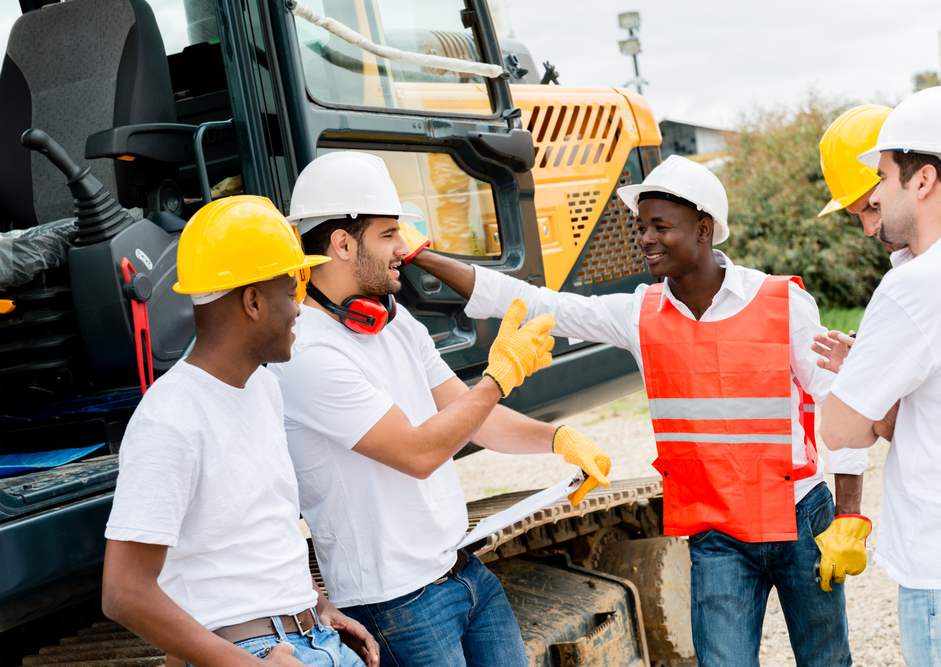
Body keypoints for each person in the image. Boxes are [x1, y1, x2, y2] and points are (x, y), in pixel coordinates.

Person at [406, 154, 871, 666]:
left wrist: (848, 514)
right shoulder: (640, 314)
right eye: (641, 226)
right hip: (717, 533)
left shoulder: (781, 302)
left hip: (800, 517)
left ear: (704, 228)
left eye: (659, 226)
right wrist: (423, 256)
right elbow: (536, 302)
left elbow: (836, 397)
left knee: (827, 660)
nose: (644, 238)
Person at [269, 152, 612, 667]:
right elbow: (418, 452)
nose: (403, 249)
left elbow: (471, 416)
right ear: (341, 243)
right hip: (395, 603)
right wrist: (497, 379)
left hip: (463, 571)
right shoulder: (308, 353)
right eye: (388, 234)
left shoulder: (395, 321)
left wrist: (557, 438)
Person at [101, 196, 379, 667]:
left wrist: (316, 606)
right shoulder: (171, 417)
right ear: (252, 301)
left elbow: (261, 527)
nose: (300, 310)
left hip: (310, 640)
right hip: (249, 655)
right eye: (290, 292)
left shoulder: (264, 387)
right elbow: (124, 593)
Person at [821, 86, 941, 667]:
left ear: (921, 181)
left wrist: (863, 375)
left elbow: (840, 430)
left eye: (884, 176)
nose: (879, 198)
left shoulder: (913, 287)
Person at [812, 104, 941, 371]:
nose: (868, 230)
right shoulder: (906, 266)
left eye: (872, 207)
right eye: (857, 216)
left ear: (914, 179)